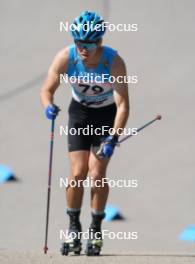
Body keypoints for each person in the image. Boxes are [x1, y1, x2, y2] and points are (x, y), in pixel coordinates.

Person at [40, 11, 129, 256]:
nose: (83, 49)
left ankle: (96, 230)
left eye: (89, 44)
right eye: (79, 42)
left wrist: (113, 136)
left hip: (105, 115)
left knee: (97, 173)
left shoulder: (114, 61)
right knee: (78, 173)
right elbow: (47, 89)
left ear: (99, 42)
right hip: (79, 114)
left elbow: (123, 105)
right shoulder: (65, 57)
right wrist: (48, 106)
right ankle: (73, 228)